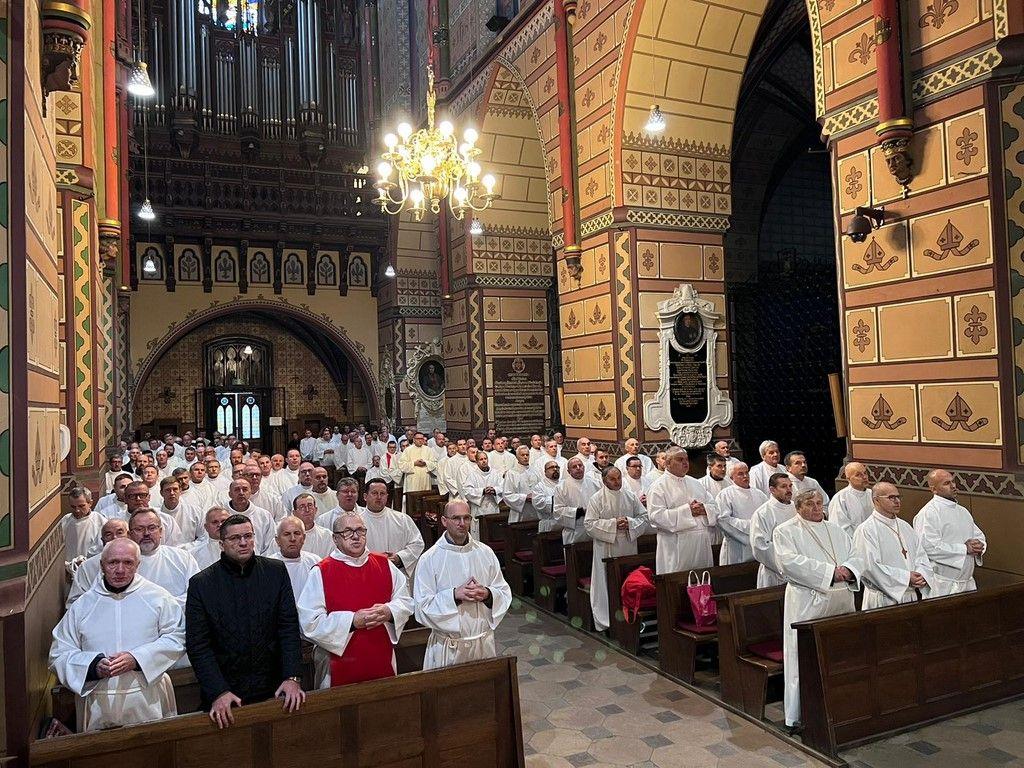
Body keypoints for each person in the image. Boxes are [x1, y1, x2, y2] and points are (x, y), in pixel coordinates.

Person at [49, 539, 186, 731]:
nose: (120, 570)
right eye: (113, 562)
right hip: (99, 702)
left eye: (128, 562)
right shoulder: (83, 606)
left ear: (138, 565)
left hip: (148, 698)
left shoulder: (158, 598)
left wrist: (137, 659)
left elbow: (177, 637)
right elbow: (59, 654)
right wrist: (93, 666)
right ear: (102, 565)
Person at [185, 514, 305, 728]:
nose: (243, 543)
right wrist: (218, 691)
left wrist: (292, 677)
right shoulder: (201, 584)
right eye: (235, 538)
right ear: (221, 544)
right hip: (226, 692)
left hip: (275, 688)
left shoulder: (275, 571)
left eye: (248, 536)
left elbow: (288, 628)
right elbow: (199, 645)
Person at [774, 490, 861, 731]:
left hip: (841, 600)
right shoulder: (786, 531)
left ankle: (840, 705)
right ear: (798, 507)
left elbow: (856, 555)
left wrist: (849, 570)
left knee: (840, 652)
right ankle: (800, 713)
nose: (816, 508)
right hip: (807, 601)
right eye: (810, 504)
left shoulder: (836, 529)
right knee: (804, 654)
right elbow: (788, 563)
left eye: (819, 503)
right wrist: (829, 573)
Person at [298, 511, 414, 687]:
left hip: (380, 655)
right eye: (347, 532)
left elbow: (405, 600)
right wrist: (352, 621)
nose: (355, 537)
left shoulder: (384, 564)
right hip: (337, 663)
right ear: (335, 538)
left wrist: (389, 611)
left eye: (360, 530)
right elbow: (310, 622)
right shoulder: (321, 571)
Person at [413, 501, 512, 669]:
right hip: (449, 647)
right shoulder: (429, 559)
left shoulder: (485, 552)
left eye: (466, 518)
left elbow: (503, 591)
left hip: (483, 643)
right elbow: (421, 607)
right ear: (444, 521)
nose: (462, 523)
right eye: (456, 518)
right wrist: (454, 596)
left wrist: (487, 594)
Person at [584, 468, 648, 631]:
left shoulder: (630, 496)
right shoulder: (596, 499)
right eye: (612, 479)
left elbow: (644, 517)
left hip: (628, 544)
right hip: (606, 547)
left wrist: (629, 523)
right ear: (604, 481)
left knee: (628, 581)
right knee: (607, 581)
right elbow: (589, 525)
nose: (617, 482)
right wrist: (613, 524)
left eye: (618, 478)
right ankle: (608, 617)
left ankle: (630, 616)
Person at [853, 482, 933, 608]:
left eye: (898, 497)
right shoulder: (866, 530)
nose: (897, 501)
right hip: (883, 599)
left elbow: (921, 555)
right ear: (876, 500)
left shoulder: (905, 526)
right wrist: (906, 578)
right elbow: (869, 567)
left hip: (910, 596)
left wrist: (921, 574)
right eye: (891, 497)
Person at [913, 469, 986, 596]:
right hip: (943, 585)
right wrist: (964, 549)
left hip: (967, 582)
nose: (953, 486)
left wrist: (979, 545)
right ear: (933, 489)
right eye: (946, 483)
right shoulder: (928, 513)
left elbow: (978, 535)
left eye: (953, 482)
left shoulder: (962, 511)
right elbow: (928, 546)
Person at [647, 448, 714, 574]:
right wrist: (688, 512)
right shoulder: (658, 486)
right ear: (667, 463)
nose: (685, 463)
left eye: (686, 459)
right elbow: (655, 516)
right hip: (675, 546)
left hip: (701, 544)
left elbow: (714, 506)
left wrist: (704, 509)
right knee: (677, 583)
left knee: (703, 579)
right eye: (680, 459)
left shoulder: (696, 483)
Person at [360, 478, 424, 576]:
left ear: (387, 496)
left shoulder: (402, 519)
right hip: (367, 572)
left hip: (395, 574)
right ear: (365, 496)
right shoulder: (356, 522)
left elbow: (417, 544)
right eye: (374, 493)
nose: (379, 497)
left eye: (382, 493)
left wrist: (399, 557)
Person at [711, 462, 767, 565]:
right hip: (736, 547)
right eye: (740, 474)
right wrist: (752, 526)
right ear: (732, 477)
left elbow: (767, 517)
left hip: (758, 545)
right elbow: (723, 520)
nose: (745, 476)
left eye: (747, 473)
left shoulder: (760, 494)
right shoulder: (725, 495)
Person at [749, 473, 795, 587]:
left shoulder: (797, 509)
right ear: (772, 490)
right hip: (775, 573)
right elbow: (760, 546)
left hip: (799, 570)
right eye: (784, 486)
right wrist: (787, 565)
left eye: (790, 486)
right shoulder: (763, 513)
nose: (789, 490)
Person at [268, 516, 321, 606]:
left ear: (304, 538)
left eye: (297, 533)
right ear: (277, 540)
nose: (292, 538)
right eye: (287, 534)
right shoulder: (268, 566)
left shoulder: (315, 562)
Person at [225, 478, 276, 554]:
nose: (241, 493)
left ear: (250, 493)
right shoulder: (222, 516)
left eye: (245, 489)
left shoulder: (264, 516)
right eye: (237, 490)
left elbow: (271, 545)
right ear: (230, 494)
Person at [462, 451, 504, 539]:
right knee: (480, 536)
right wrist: (482, 491)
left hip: (493, 508)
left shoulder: (495, 473)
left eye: (485, 459)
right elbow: (467, 491)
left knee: (494, 535)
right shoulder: (472, 475)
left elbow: (503, 486)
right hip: (479, 510)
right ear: (477, 462)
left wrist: (494, 490)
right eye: (481, 459)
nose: (484, 461)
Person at [554, 457, 596, 545]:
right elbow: (558, 511)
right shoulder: (561, 487)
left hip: (593, 530)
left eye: (580, 465)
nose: (578, 468)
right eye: (574, 466)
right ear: (568, 471)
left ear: (584, 467)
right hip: (574, 531)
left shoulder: (595, 483)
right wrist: (579, 512)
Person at [62, 487, 106, 563]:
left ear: (90, 503)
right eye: (73, 507)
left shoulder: (100, 522)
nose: (77, 510)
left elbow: (100, 548)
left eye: (81, 506)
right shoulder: (65, 520)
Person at [828, 462, 873, 536]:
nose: (864, 477)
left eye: (865, 473)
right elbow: (838, 527)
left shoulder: (872, 494)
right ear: (848, 479)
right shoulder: (840, 498)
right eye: (858, 475)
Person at [285, 493, 335, 558]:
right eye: (302, 507)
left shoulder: (327, 536)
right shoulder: (284, 536)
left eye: (310, 505)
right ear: (294, 513)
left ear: (316, 510)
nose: (307, 510)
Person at [156, 476, 203, 545]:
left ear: (180, 491)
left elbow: (203, 537)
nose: (172, 493)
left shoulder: (195, 512)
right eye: (168, 490)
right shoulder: (156, 515)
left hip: (191, 552)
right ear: (161, 493)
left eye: (175, 489)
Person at [503, 446, 542, 524]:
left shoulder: (535, 471)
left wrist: (536, 496)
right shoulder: (511, 473)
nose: (525, 457)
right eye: (522, 455)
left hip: (535, 510)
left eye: (527, 455)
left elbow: (541, 489)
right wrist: (524, 497)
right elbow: (507, 495)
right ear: (517, 457)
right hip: (519, 512)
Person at [399, 432, 437, 496]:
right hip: (412, 479)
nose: (420, 440)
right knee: (413, 499)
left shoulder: (428, 450)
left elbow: (434, 463)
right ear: (414, 440)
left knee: (425, 498)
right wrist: (414, 463)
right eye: (418, 438)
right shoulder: (407, 450)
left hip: (425, 478)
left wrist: (426, 463)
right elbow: (402, 465)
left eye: (421, 438)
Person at [532, 461, 563, 533]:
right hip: (549, 525)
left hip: (564, 524)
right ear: (545, 472)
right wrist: (558, 499)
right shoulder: (539, 487)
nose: (555, 469)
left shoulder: (564, 484)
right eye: (551, 467)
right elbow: (538, 504)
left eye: (557, 467)